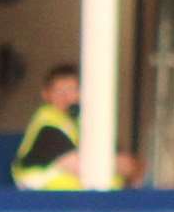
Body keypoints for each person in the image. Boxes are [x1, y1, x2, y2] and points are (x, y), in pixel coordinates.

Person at [12, 63, 143, 190]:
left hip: (83, 202)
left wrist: (123, 166)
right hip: (41, 202)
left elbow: (131, 164)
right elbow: (81, 167)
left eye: (72, 90)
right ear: (46, 94)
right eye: (59, 91)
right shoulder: (48, 124)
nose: (66, 97)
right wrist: (118, 166)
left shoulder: (83, 121)